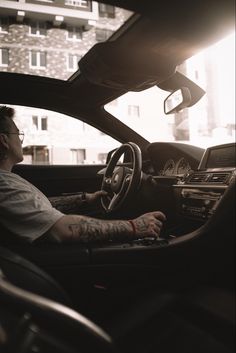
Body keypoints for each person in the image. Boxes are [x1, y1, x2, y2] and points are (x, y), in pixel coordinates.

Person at [0, 106, 166, 244]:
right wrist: (135, 227)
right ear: (4, 140)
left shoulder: (8, 180)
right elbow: (63, 230)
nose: (21, 141)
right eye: (18, 134)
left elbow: (37, 208)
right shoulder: (5, 186)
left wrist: (84, 199)